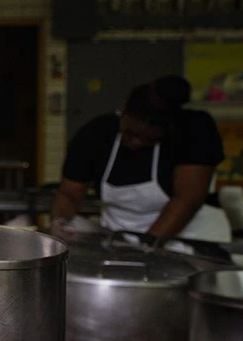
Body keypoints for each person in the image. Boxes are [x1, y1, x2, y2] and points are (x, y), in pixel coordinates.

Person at [51, 75, 230, 242]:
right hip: (119, 237)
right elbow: (69, 193)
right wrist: (60, 225)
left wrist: (145, 247)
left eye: (149, 139)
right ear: (124, 111)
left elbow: (187, 200)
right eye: (130, 133)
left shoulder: (194, 130)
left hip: (191, 237)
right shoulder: (97, 133)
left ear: (168, 129)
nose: (136, 143)